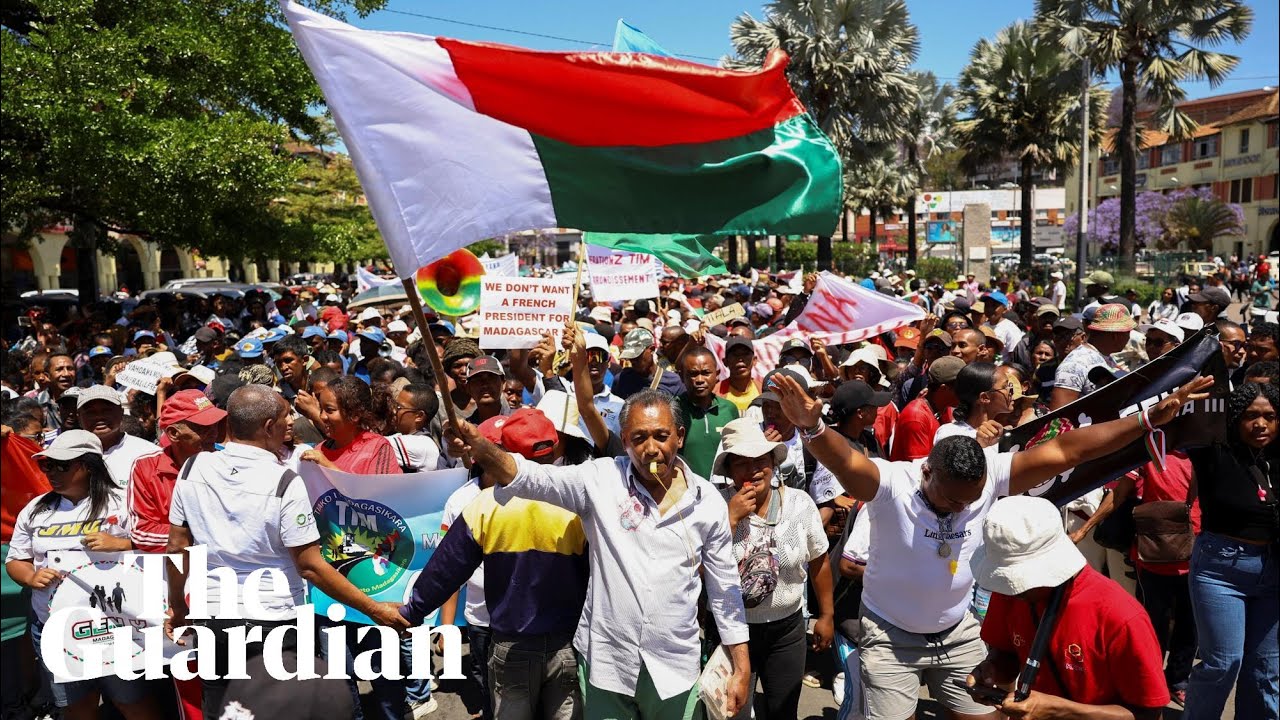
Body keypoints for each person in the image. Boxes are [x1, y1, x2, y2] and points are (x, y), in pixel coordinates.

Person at [768, 371, 1210, 720]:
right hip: (889, 637)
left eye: (972, 498)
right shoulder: (892, 482)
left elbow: (1070, 451)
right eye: (952, 498)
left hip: (960, 633)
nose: (963, 507)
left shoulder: (993, 473)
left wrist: (1147, 419)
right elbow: (846, 461)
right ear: (927, 473)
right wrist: (813, 427)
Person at [445, 388, 752, 720]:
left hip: (675, 669)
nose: (651, 449)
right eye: (639, 438)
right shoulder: (600, 479)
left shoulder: (707, 502)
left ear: (679, 436)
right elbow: (530, 478)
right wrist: (481, 445)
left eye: (661, 436)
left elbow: (725, 589)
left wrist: (741, 665)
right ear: (625, 439)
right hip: (608, 666)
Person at [165, 385, 409, 718]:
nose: (291, 421)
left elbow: (178, 547)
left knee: (223, 709)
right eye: (285, 416)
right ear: (268, 427)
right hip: (275, 622)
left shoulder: (193, 468)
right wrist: (374, 609)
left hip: (214, 618)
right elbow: (309, 566)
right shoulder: (285, 481)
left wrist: (178, 607)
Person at [401, 407, 588, 720]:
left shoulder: (485, 506)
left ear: (507, 451)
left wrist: (411, 612)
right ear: (554, 445)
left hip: (511, 647)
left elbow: (444, 570)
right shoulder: (579, 500)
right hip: (568, 643)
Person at [967, 496, 1170, 720]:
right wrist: (991, 670)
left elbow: (1148, 713)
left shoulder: (1120, 616)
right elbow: (1007, 654)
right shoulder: (1009, 593)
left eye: (1017, 581)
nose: (1012, 590)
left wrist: (1060, 710)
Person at [5, 431, 159, 720]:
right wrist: (29, 577)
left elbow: (158, 545)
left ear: (89, 465)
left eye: (61, 465)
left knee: (132, 703)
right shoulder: (35, 510)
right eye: (46, 465)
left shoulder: (121, 502)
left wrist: (123, 544)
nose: (52, 472)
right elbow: (16, 559)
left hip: (114, 628)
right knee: (78, 708)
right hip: (55, 629)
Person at [718, 419, 832, 719]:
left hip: (787, 629)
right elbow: (699, 570)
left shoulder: (799, 504)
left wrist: (826, 615)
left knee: (783, 711)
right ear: (728, 472)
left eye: (760, 460)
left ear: (773, 462)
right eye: (741, 464)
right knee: (733, 712)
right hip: (733, 633)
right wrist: (730, 520)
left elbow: (819, 560)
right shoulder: (715, 509)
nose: (753, 470)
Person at [1182, 381, 1279, 719]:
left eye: (1269, 416)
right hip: (1220, 570)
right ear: (1235, 419)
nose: (1260, 424)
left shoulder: (1276, 458)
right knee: (1224, 662)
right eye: (1250, 415)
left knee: (1265, 667)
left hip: (1273, 573)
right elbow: (1180, 425)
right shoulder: (1213, 450)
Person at [127, 389, 226, 553]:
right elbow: (142, 532)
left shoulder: (228, 462)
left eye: (214, 424)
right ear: (173, 433)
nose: (213, 432)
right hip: (171, 570)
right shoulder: (145, 467)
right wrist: (205, 536)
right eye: (203, 427)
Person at [302, 375, 398, 474]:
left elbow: (380, 489)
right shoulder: (319, 451)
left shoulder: (377, 448)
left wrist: (327, 466)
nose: (322, 417)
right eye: (321, 409)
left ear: (354, 415)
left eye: (329, 410)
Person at [1049, 304, 1133, 411]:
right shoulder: (1075, 364)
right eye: (1128, 333)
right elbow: (1056, 420)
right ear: (1116, 335)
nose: (1129, 337)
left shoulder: (1105, 358)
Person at [677, 345, 740, 481]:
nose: (699, 380)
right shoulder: (672, 410)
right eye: (693, 374)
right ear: (682, 376)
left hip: (724, 492)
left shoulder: (729, 409)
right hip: (686, 491)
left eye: (706, 373)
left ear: (717, 375)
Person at [75, 385, 159, 486]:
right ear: (79, 417)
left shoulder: (149, 453)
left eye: (107, 410)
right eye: (90, 412)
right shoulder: (67, 455)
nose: (99, 416)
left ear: (121, 412)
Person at [889, 355, 963, 461]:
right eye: (962, 388)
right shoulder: (916, 417)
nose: (966, 392)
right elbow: (920, 471)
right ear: (944, 389)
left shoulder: (944, 409)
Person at [935, 362, 1017, 447]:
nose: (1012, 391)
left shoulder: (1001, 435)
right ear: (985, 398)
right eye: (1004, 387)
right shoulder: (950, 434)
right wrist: (980, 445)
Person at [613, 328, 684, 400]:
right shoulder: (622, 379)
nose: (633, 361)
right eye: (630, 357)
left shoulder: (673, 382)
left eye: (637, 356)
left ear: (652, 349)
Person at [717, 337, 760, 413]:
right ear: (725, 362)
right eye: (735, 354)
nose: (740, 359)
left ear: (754, 360)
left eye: (745, 354)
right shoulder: (715, 393)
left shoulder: (763, 389)